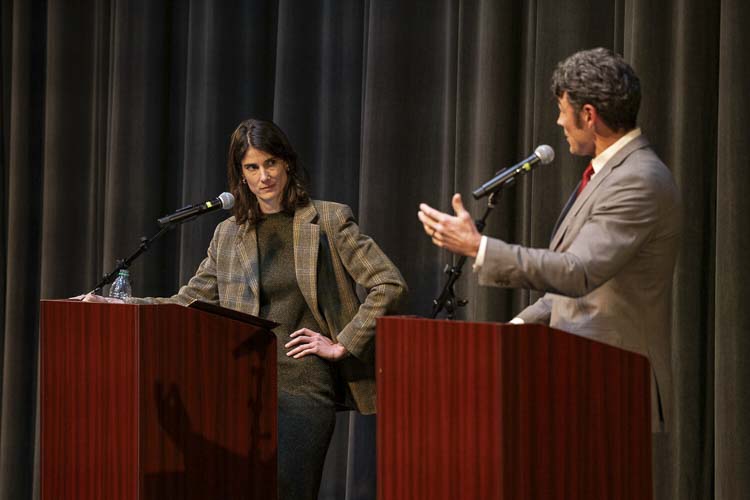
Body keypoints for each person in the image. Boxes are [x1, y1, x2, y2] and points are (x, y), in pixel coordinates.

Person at [85, 118, 407, 499]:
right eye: (251, 167)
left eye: (270, 163)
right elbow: (187, 302)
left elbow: (389, 283)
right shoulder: (228, 233)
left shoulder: (329, 220)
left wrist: (343, 343)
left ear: (287, 162)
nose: (263, 176)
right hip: (238, 389)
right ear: (240, 175)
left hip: (303, 387)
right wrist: (116, 304)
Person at [417, 48, 680, 494]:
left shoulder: (638, 179)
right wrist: (522, 325)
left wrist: (479, 248)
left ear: (590, 115)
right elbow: (580, 287)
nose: (558, 123)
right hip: (575, 381)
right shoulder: (607, 174)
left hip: (609, 390)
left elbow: (578, 273)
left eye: (562, 112)